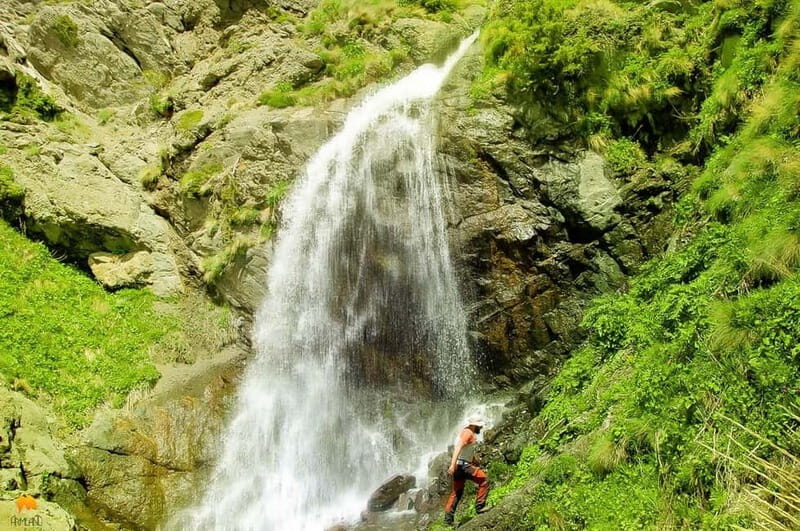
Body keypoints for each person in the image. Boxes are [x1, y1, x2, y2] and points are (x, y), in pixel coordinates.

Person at [444, 414, 490, 525]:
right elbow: (459, 447)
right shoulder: (468, 433)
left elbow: (465, 450)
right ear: (475, 426)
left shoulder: (467, 432)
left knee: (457, 492)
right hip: (464, 466)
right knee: (484, 480)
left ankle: (448, 521)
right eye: (480, 426)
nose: (481, 428)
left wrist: (474, 460)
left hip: (461, 466)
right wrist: (452, 464)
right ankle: (480, 507)